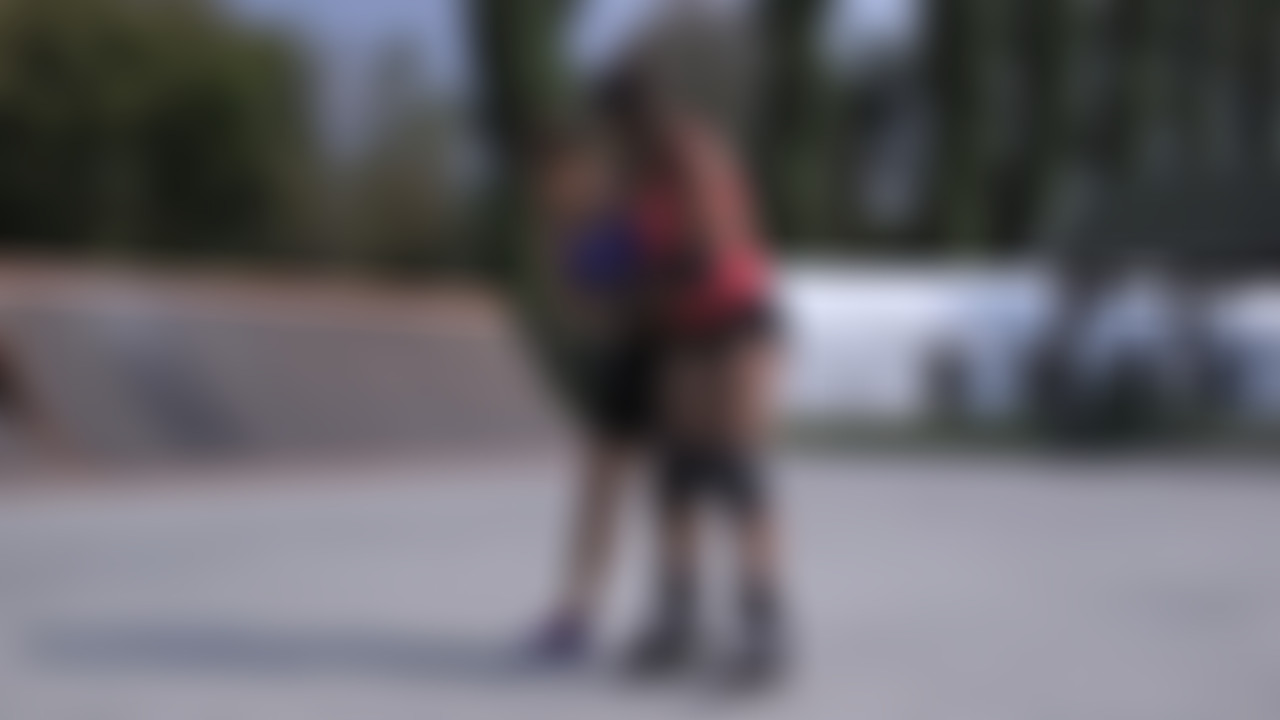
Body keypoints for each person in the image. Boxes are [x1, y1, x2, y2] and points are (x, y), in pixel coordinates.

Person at [597, 65, 788, 688]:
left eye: (619, 127)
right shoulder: (637, 172)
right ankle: (678, 620)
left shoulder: (694, 152)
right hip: (680, 327)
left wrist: (637, 286)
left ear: (638, 116)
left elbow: (703, 251)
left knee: (737, 472)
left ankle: (765, 628)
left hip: (734, 319)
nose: (615, 141)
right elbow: (638, 251)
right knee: (676, 477)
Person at [524, 121, 659, 665]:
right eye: (545, 181)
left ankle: (684, 606)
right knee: (598, 493)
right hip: (623, 360)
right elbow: (576, 312)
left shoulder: (626, 208)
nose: (554, 189)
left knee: (685, 486)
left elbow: (668, 271)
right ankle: (578, 609)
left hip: (670, 355)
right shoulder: (558, 233)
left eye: (562, 174)